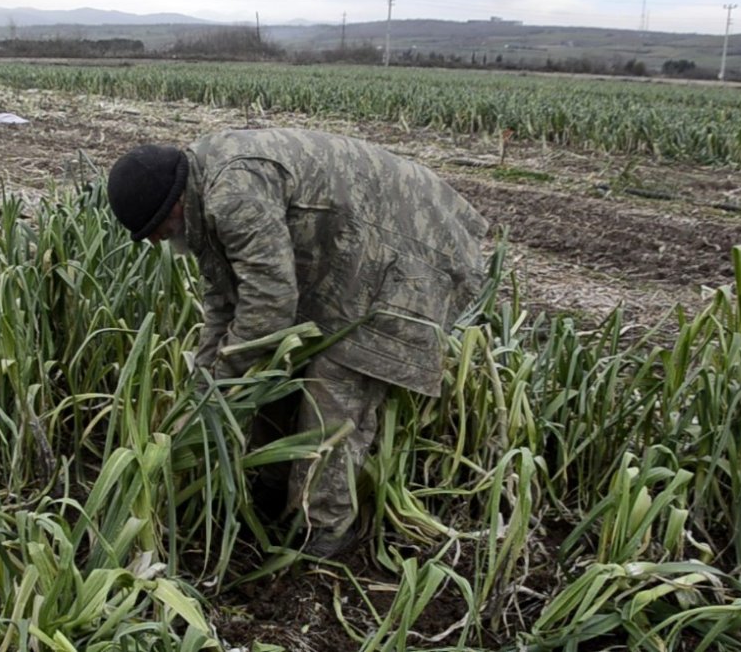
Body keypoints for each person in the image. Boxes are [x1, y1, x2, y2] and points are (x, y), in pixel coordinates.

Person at [106, 128, 489, 557]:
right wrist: (206, 388)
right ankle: (272, 494)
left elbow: (269, 304)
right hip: (348, 259)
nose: (158, 241)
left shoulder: (233, 195)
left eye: (156, 230)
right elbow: (224, 302)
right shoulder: (203, 188)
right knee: (273, 372)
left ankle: (320, 537)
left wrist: (225, 380)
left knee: (332, 396)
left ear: (172, 204)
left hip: (406, 252)